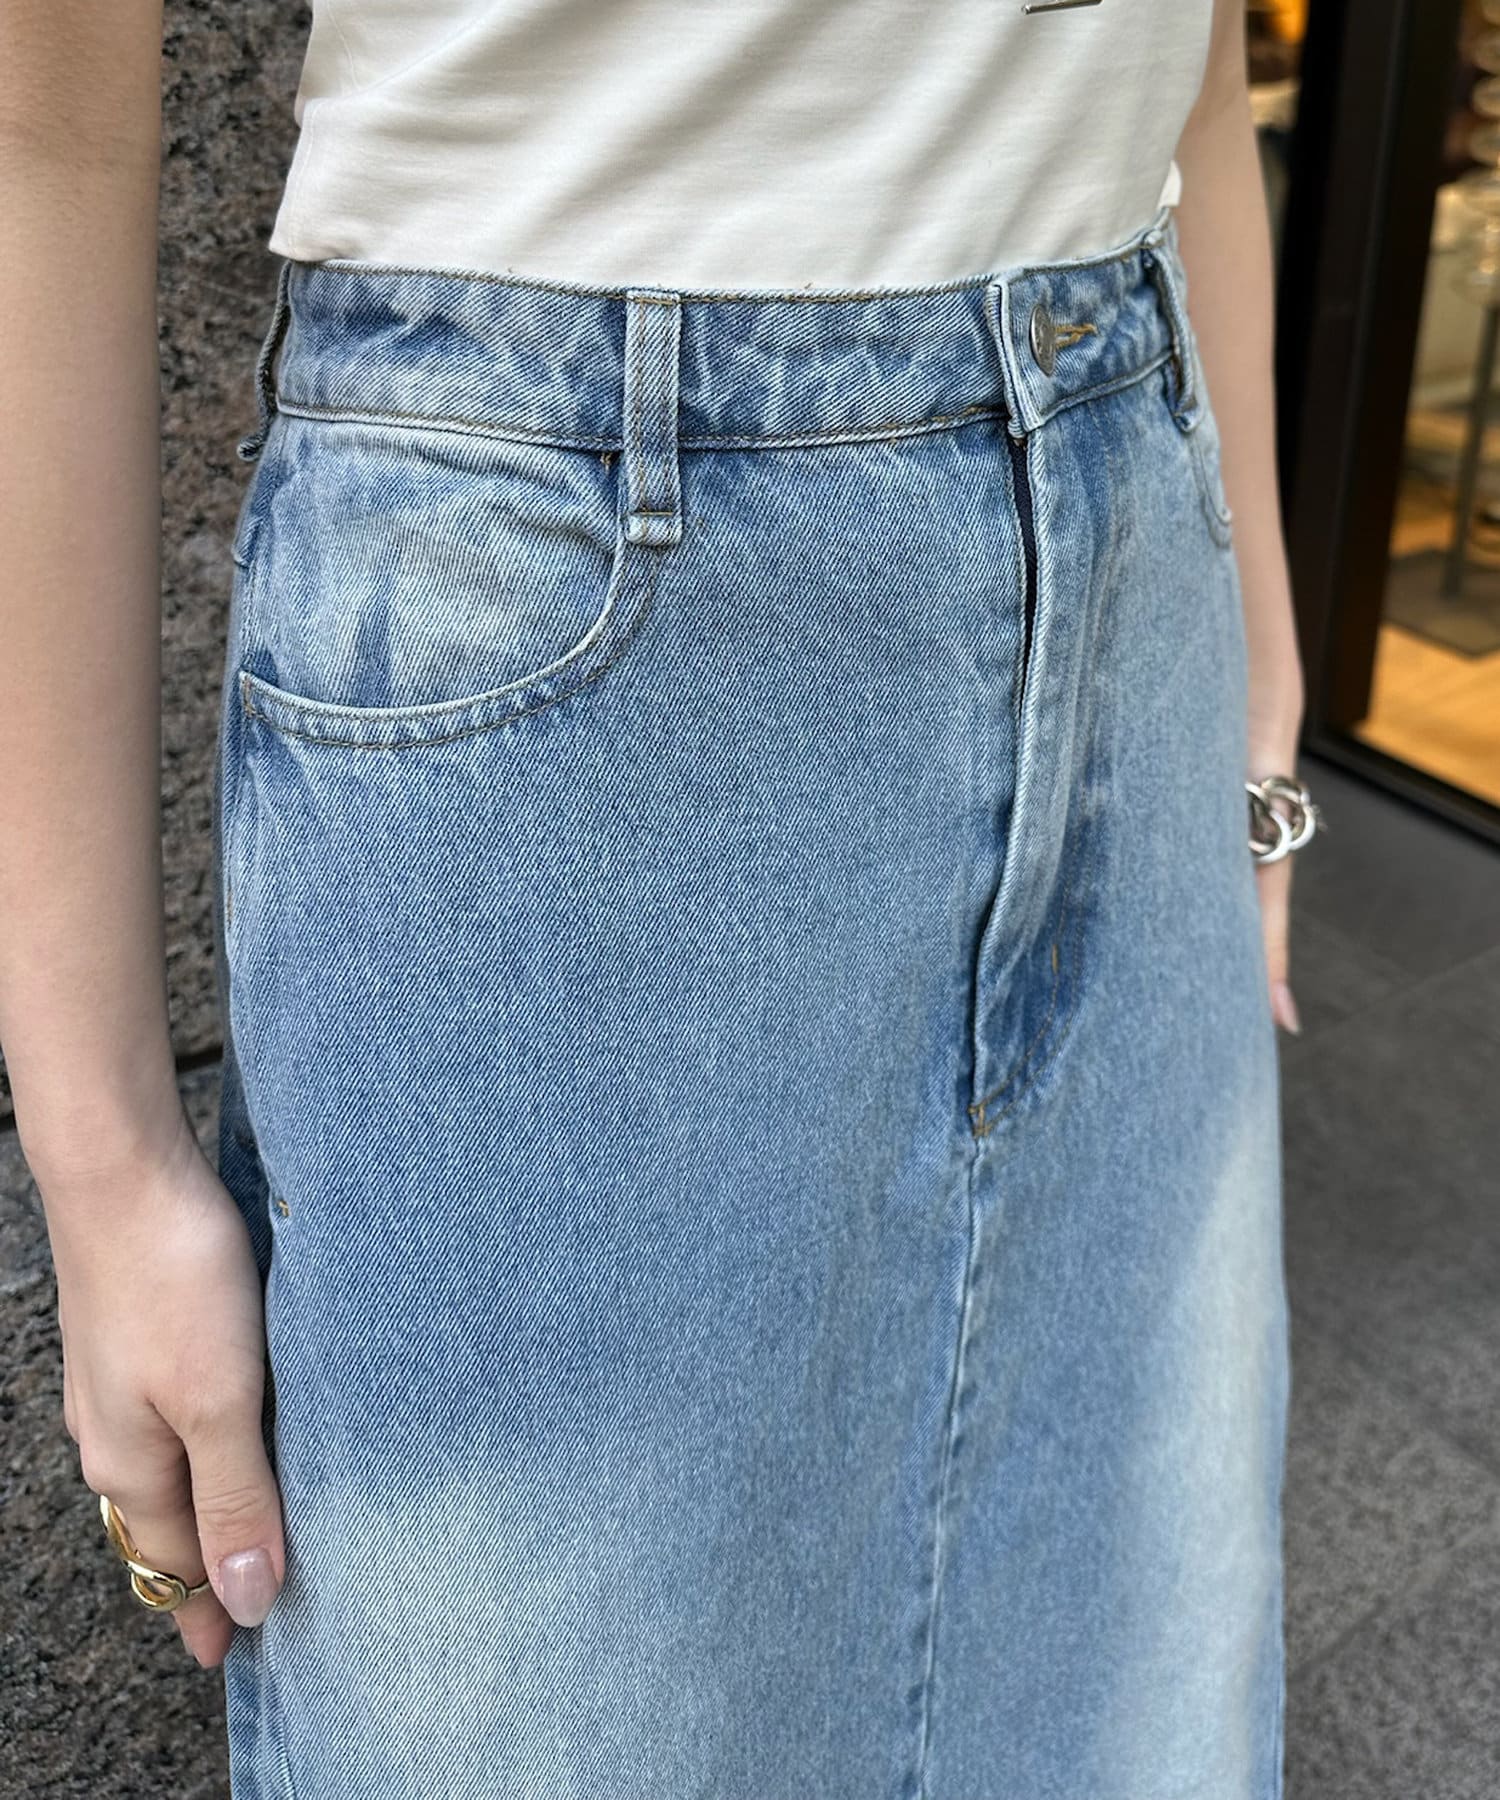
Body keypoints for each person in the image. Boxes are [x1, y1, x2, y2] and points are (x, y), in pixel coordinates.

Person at [0, 0, 1315, 1793]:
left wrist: (1255, 716)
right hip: (562, 567)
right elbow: (43, 134)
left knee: (1127, 1705)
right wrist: (101, 1165)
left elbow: (1204, 66)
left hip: (1133, 515)